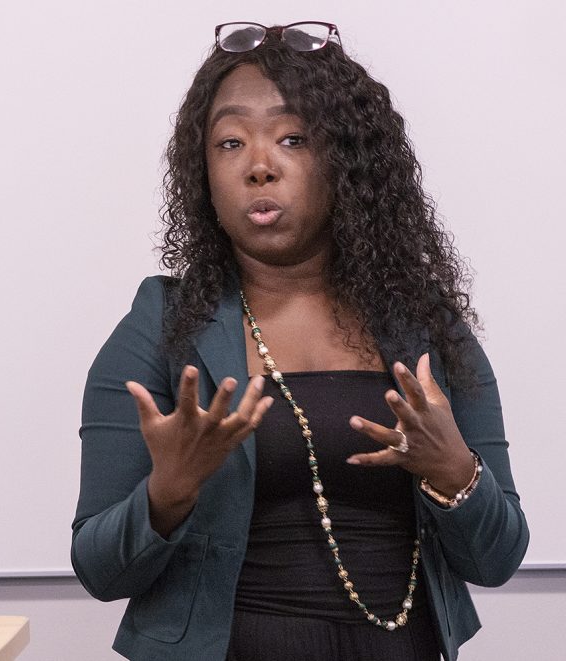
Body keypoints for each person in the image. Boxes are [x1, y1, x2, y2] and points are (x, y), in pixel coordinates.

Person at [71, 21, 528, 661]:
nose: (259, 166)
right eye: (230, 143)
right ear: (203, 173)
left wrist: (455, 471)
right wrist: (167, 492)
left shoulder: (425, 325)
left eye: (293, 139)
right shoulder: (164, 322)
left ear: (348, 161)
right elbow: (99, 568)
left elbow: (497, 557)